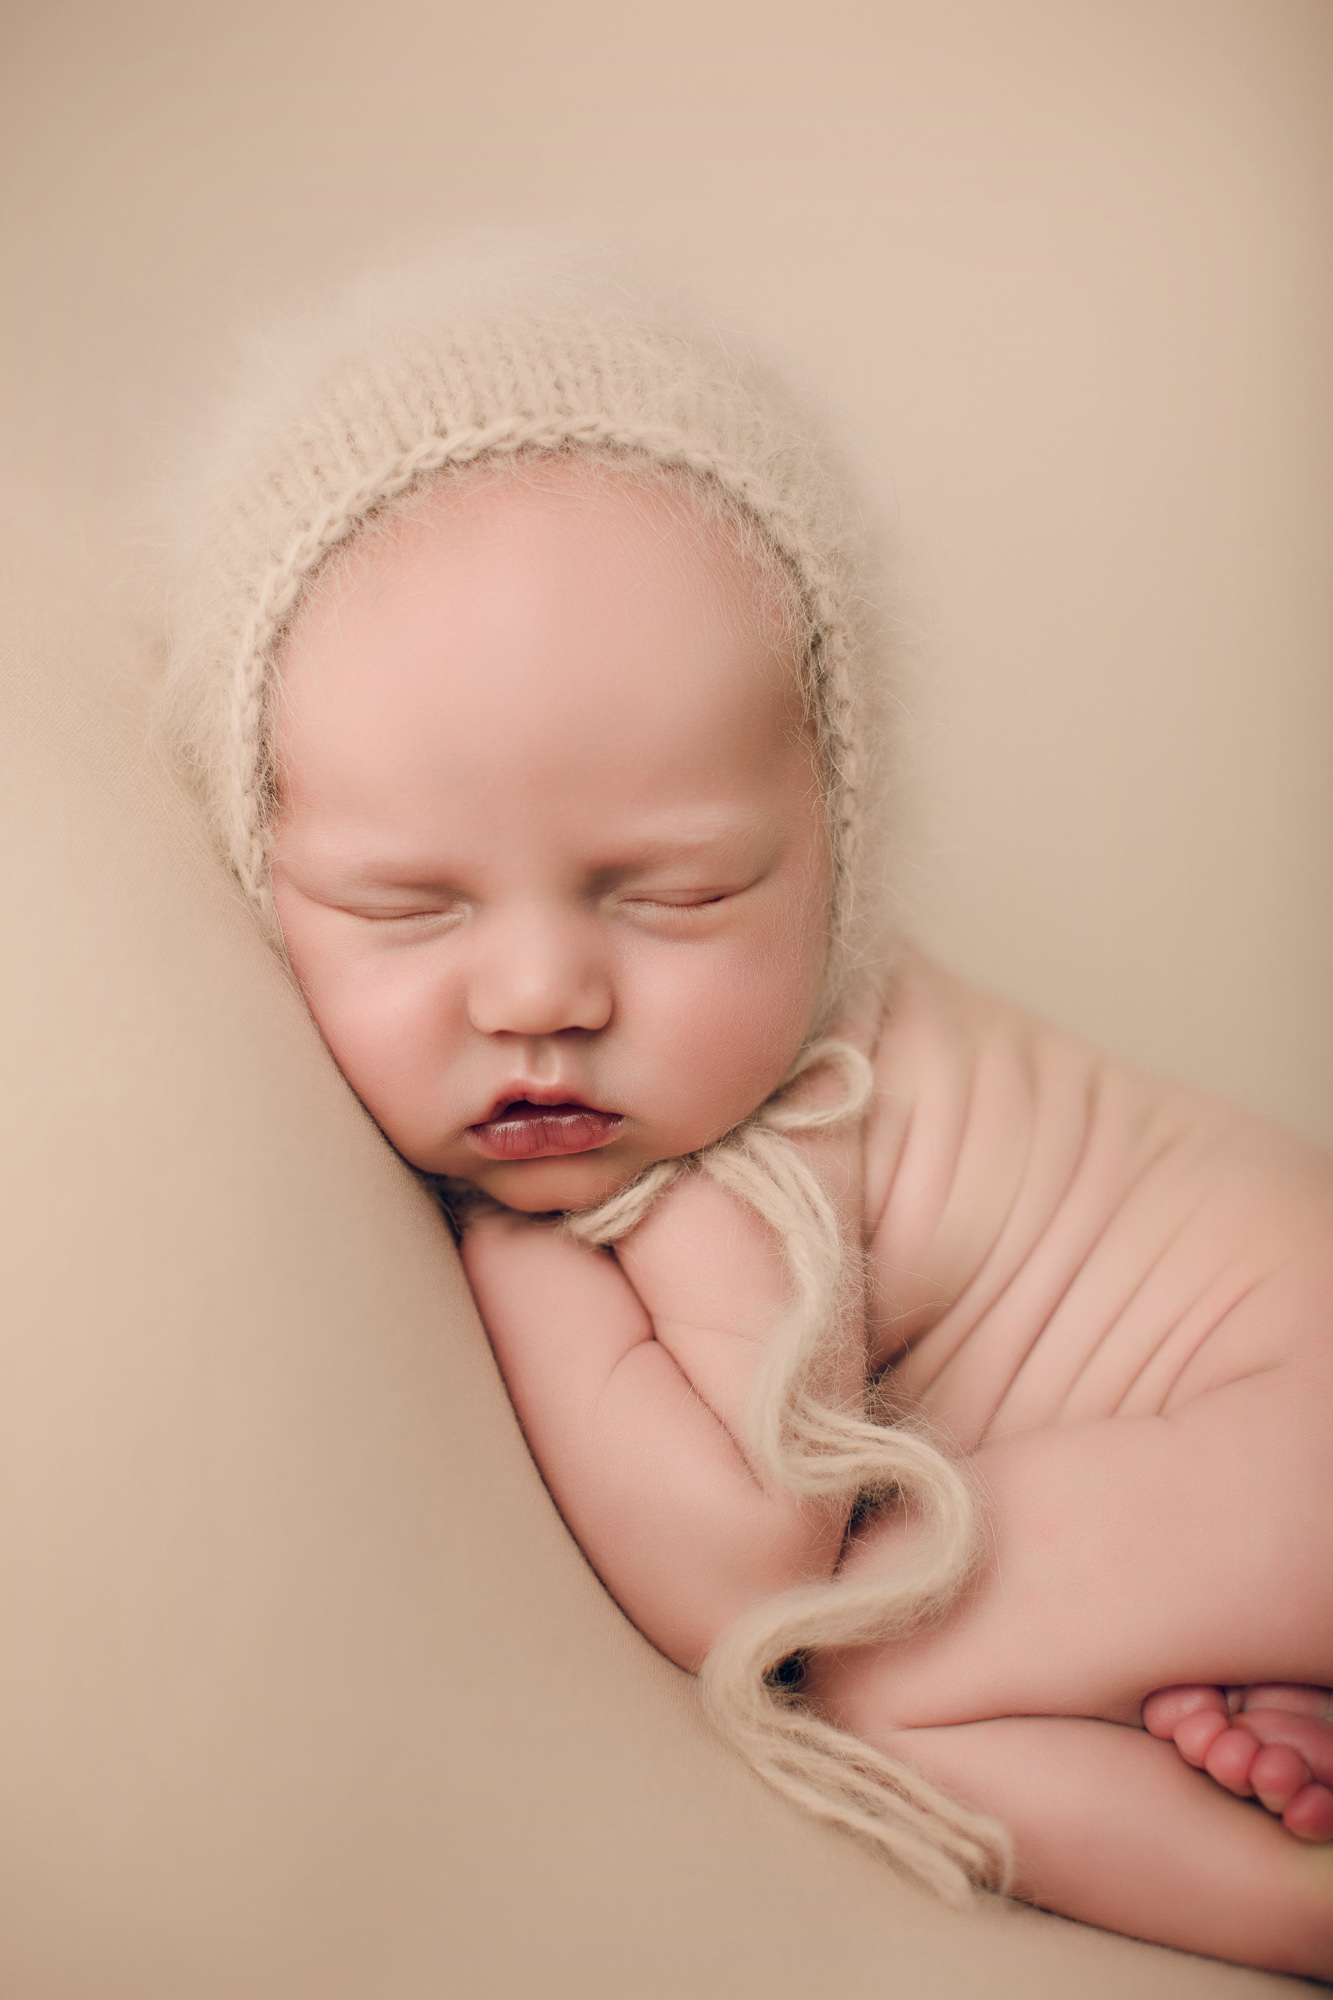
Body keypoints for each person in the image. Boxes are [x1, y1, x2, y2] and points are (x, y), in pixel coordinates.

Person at [158, 240, 1333, 1976]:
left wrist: (513, 1257)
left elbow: (742, 1578)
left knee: (856, 1663)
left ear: (831, 863)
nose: (542, 994)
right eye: (408, 907)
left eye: (676, 896)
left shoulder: (763, 1150)